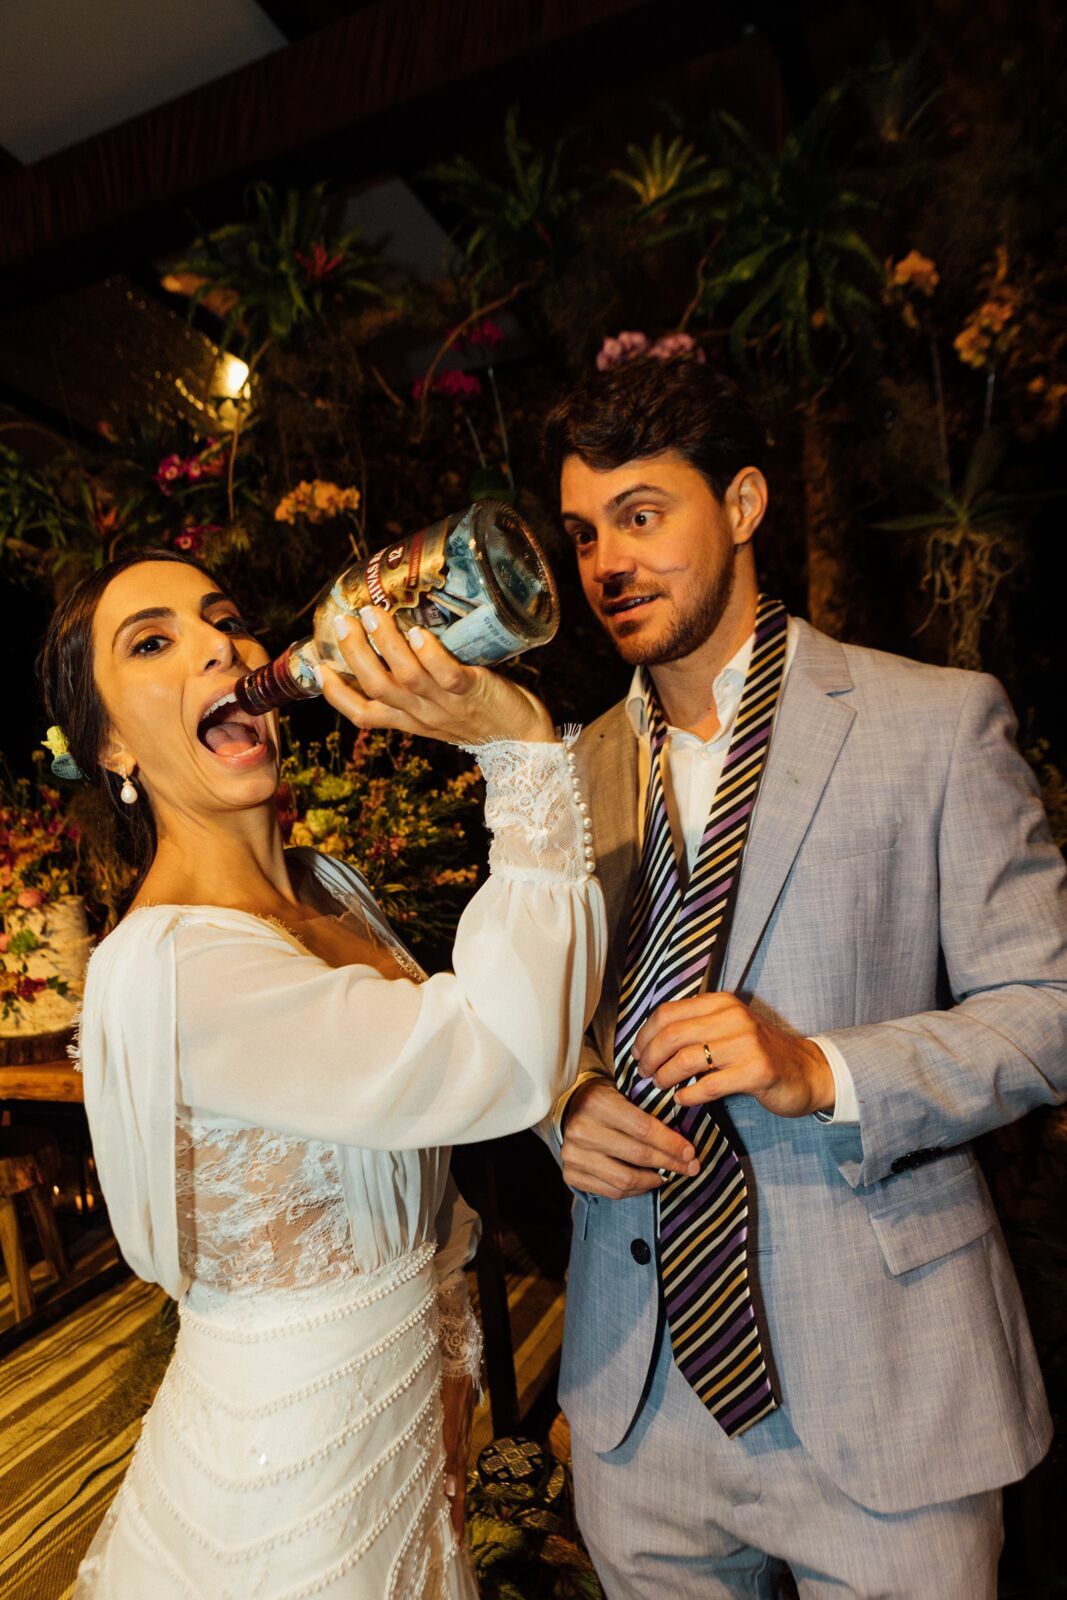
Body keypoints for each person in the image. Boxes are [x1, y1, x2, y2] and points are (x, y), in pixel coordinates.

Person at [539, 359, 1067, 1598]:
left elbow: (1045, 1012)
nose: (607, 561)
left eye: (641, 514)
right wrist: (560, 1099)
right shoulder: (561, 775)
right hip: (637, 1407)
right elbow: (525, 1023)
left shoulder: (932, 722)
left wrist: (820, 1066)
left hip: (884, 1388)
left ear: (741, 503)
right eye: (581, 533)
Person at [37, 550, 605, 1599]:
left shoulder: (324, 887)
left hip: (403, 1458)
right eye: (153, 642)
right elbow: (492, 1053)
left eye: (223, 617)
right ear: (111, 742)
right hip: (286, 1497)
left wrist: (565, 1104)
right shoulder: (174, 968)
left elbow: (442, 1066)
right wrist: (516, 744)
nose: (222, 643)